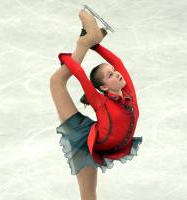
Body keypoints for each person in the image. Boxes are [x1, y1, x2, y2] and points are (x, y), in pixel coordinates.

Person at [50, 9, 142, 200]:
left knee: (89, 193)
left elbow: (117, 61)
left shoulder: (128, 94)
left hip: (104, 141)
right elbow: (81, 76)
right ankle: (84, 41)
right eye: (110, 75)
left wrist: (96, 46)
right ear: (103, 87)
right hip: (84, 142)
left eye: (114, 72)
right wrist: (66, 58)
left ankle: (88, 40)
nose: (117, 73)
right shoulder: (100, 102)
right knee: (57, 82)